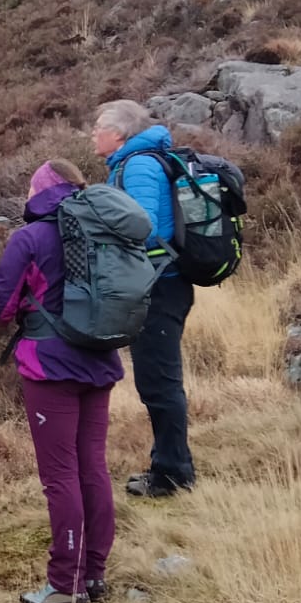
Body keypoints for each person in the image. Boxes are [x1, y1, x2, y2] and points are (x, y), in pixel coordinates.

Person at [0, 160, 125, 603]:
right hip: (100, 360)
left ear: (42, 190)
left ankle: (66, 583)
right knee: (93, 468)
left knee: (60, 475)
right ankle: (94, 575)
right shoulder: (104, 228)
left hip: (51, 369)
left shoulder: (29, 237)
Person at [93, 99, 193, 498]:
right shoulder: (133, 163)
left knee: (160, 383)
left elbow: (146, 228)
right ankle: (169, 466)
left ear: (119, 134)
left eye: (99, 126)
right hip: (158, 284)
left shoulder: (138, 165)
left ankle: (172, 474)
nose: (93, 133)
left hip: (160, 286)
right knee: (158, 381)